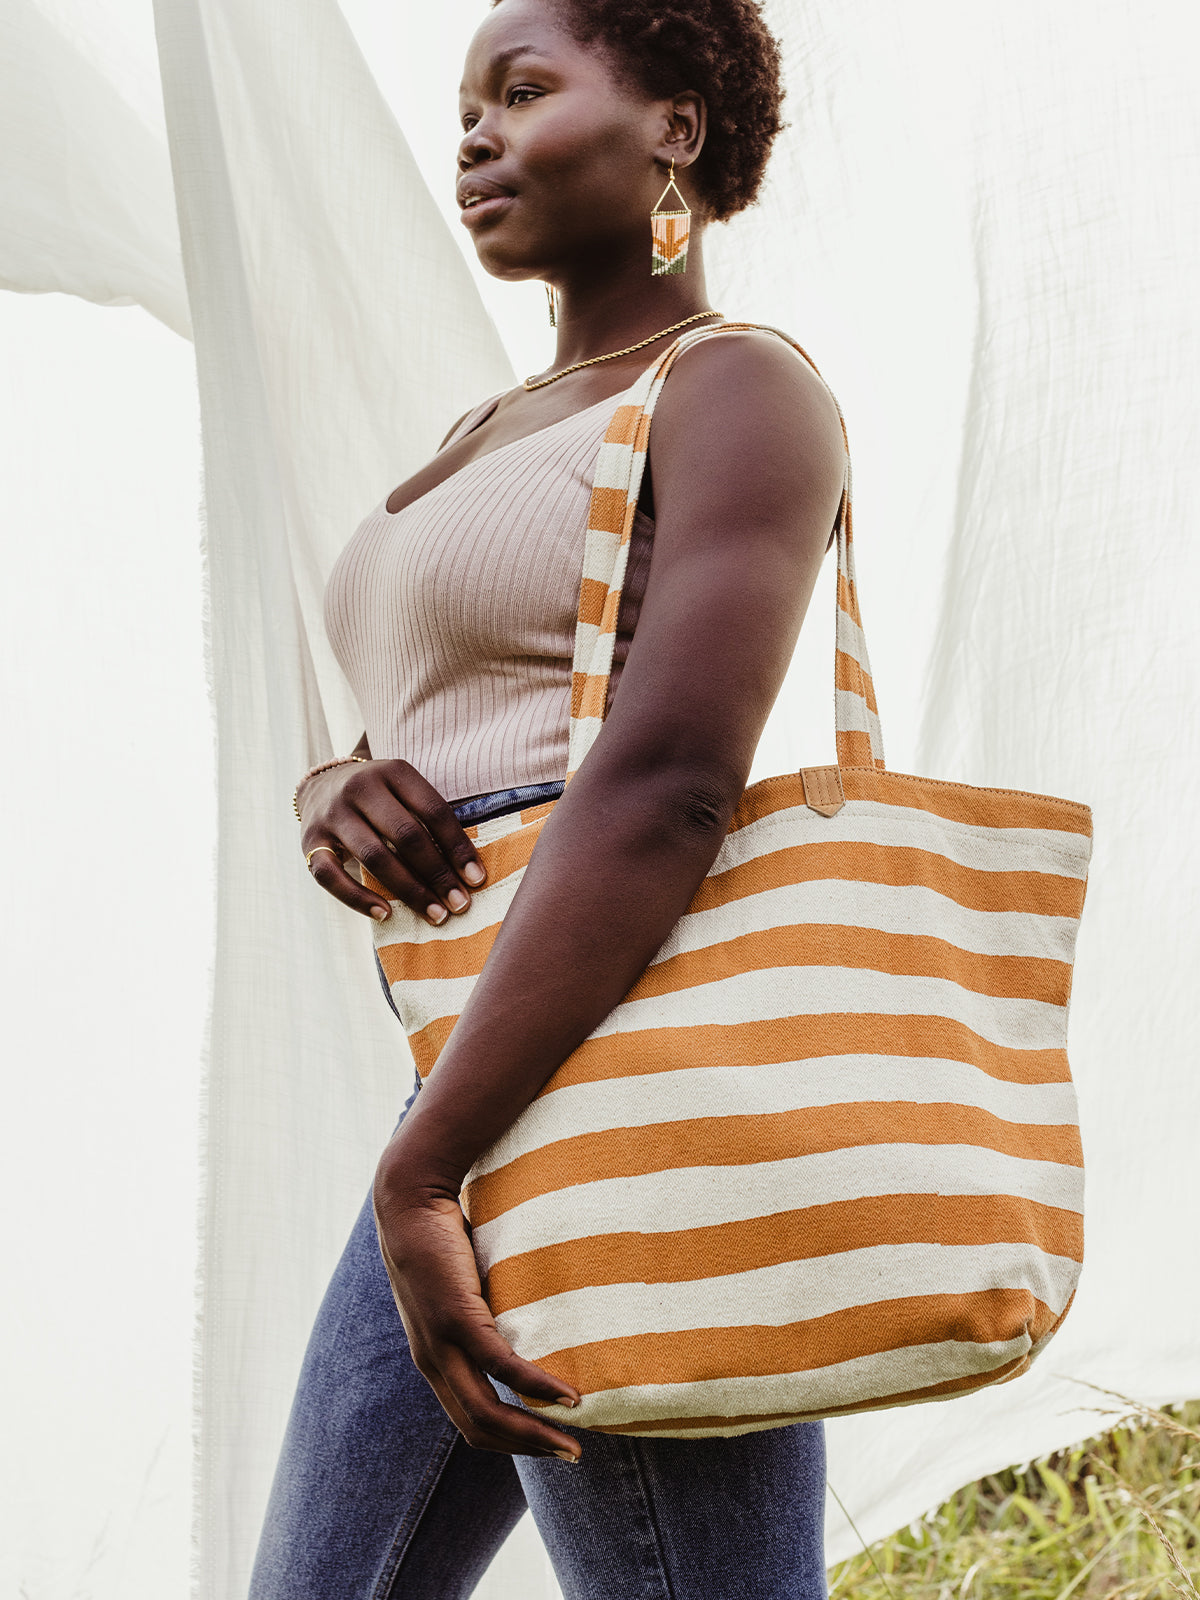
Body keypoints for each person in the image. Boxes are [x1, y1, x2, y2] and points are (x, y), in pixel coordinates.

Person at [251, 1, 847, 1595]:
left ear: (675, 131)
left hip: (622, 1066)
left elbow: (665, 784)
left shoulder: (738, 390)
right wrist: (337, 783)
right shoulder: (482, 435)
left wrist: (421, 1171)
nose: (474, 132)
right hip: (473, 1074)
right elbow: (450, 714)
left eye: (524, 90)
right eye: (465, 102)